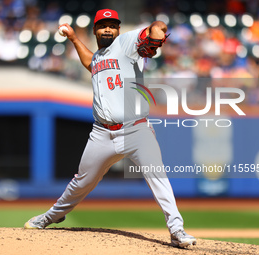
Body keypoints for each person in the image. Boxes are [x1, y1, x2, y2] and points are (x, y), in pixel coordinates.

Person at [24, 9, 197, 248]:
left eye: (112, 25)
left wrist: (158, 31)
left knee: (157, 176)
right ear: (95, 30)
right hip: (101, 133)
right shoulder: (98, 57)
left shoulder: (126, 43)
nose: (108, 29)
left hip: (136, 130)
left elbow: (156, 27)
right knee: (81, 182)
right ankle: (51, 216)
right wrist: (74, 39)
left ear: (118, 29)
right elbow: (90, 62)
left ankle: (177, 229)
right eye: (103, 25)